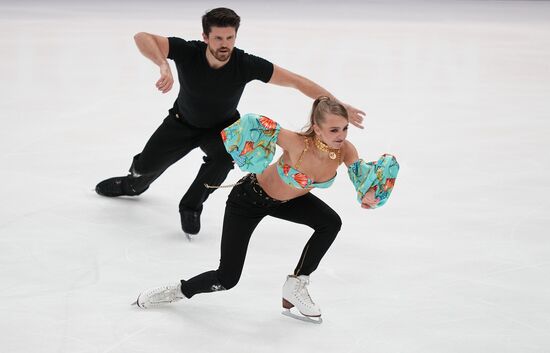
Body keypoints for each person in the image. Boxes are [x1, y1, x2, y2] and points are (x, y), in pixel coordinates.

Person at [95, 7, 366, 236]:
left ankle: (191, 205)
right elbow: (142, 37)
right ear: (205, 37)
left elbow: (295, 81)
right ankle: (132, 184)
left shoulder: (245, 63)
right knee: (145, 166)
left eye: (230, 37)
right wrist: (163, 65)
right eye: (218, 38)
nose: (225, 44)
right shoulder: (188, 51)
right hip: (181, 123)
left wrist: (337, 104)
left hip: (222, 129)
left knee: (224, 159)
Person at [133, 97, 399, 323]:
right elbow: (254, 124)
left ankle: (297, 284)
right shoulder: (296, 142)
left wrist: (370, 196)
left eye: (344, 129)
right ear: (317, 129)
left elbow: (360, 177)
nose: (341, 136)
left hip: (287, 201)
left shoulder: (344, 151)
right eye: (333, 130)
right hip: (248, 200)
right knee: (227, 278)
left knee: (330, 222)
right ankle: (179, 290)